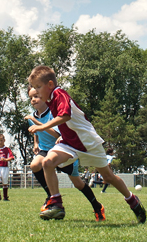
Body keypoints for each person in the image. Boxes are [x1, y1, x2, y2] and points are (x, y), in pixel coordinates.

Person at [27, 65, 146, 223]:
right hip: (69, 142)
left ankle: (132, 200)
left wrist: (42, 126)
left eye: (38, 87)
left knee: (108, 177)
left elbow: (65, 116)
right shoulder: (49, 100)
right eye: (34, 87)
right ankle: (56, 203)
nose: (36, 91)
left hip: (88, 142)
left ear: (49, 85)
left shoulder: (59, 94)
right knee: (48, 162)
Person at [25, 87, 106, 221]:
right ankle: (53, 199)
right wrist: (36, 143)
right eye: (31, 98)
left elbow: (56, 134)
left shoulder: (53, 113)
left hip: (62, 149)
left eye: (37, 96)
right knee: (34, 165)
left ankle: (97, 206)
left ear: (44, 96)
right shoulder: (31, 117)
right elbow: (36, 132)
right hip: (46, 151)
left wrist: (37, 124)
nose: (34, 100)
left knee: (78, 183)